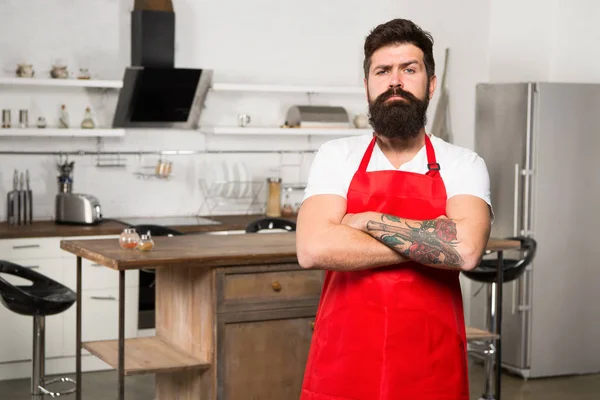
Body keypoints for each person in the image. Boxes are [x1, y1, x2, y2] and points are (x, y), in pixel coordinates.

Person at [296, 18, 493, 400]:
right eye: (382, 70)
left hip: (430, 361)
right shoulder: (336, 156)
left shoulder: (463, 164)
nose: (395, 81)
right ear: (367, 85)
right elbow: (313, 248)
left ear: (430, 83)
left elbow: (465, 251)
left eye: (410, 69)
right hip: (344, 357)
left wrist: (364, 221)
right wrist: (430, 238)